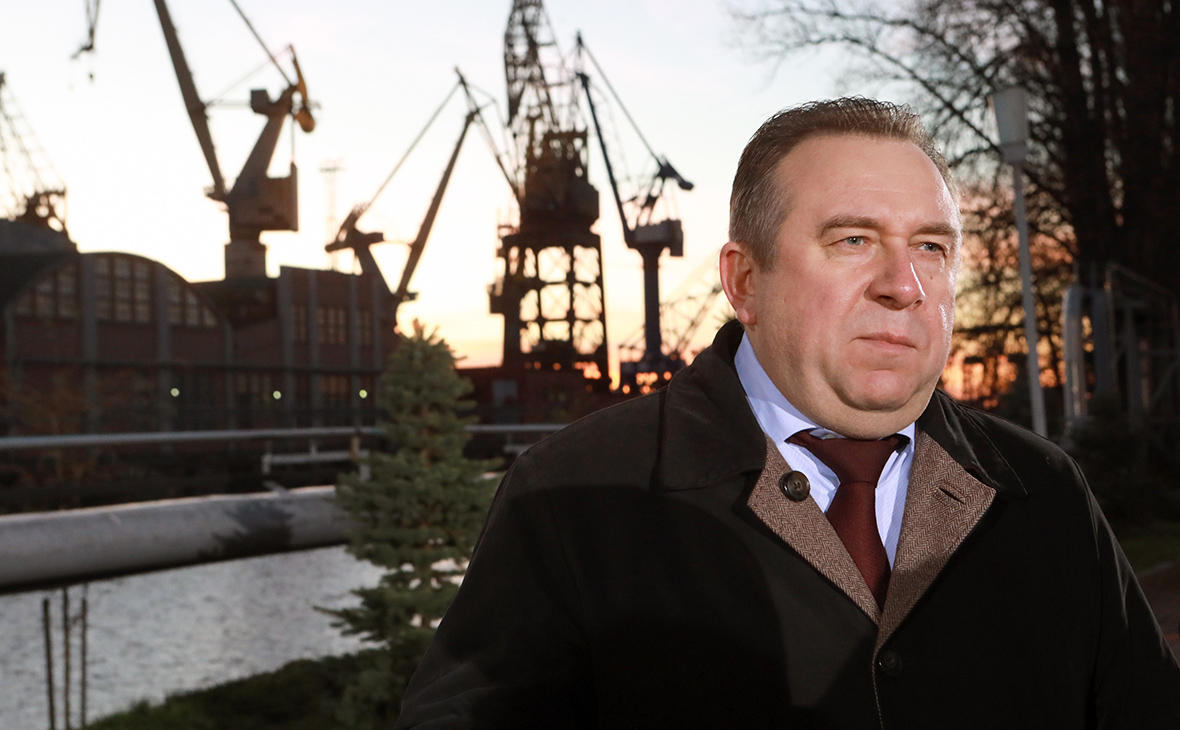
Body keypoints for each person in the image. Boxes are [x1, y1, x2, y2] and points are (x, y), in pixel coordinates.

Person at [395, 98, 1180, 728]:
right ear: (745, 281)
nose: (904, 285)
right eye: (853, 240)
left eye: (932, 248)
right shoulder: (573, 496)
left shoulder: (1045, 491)